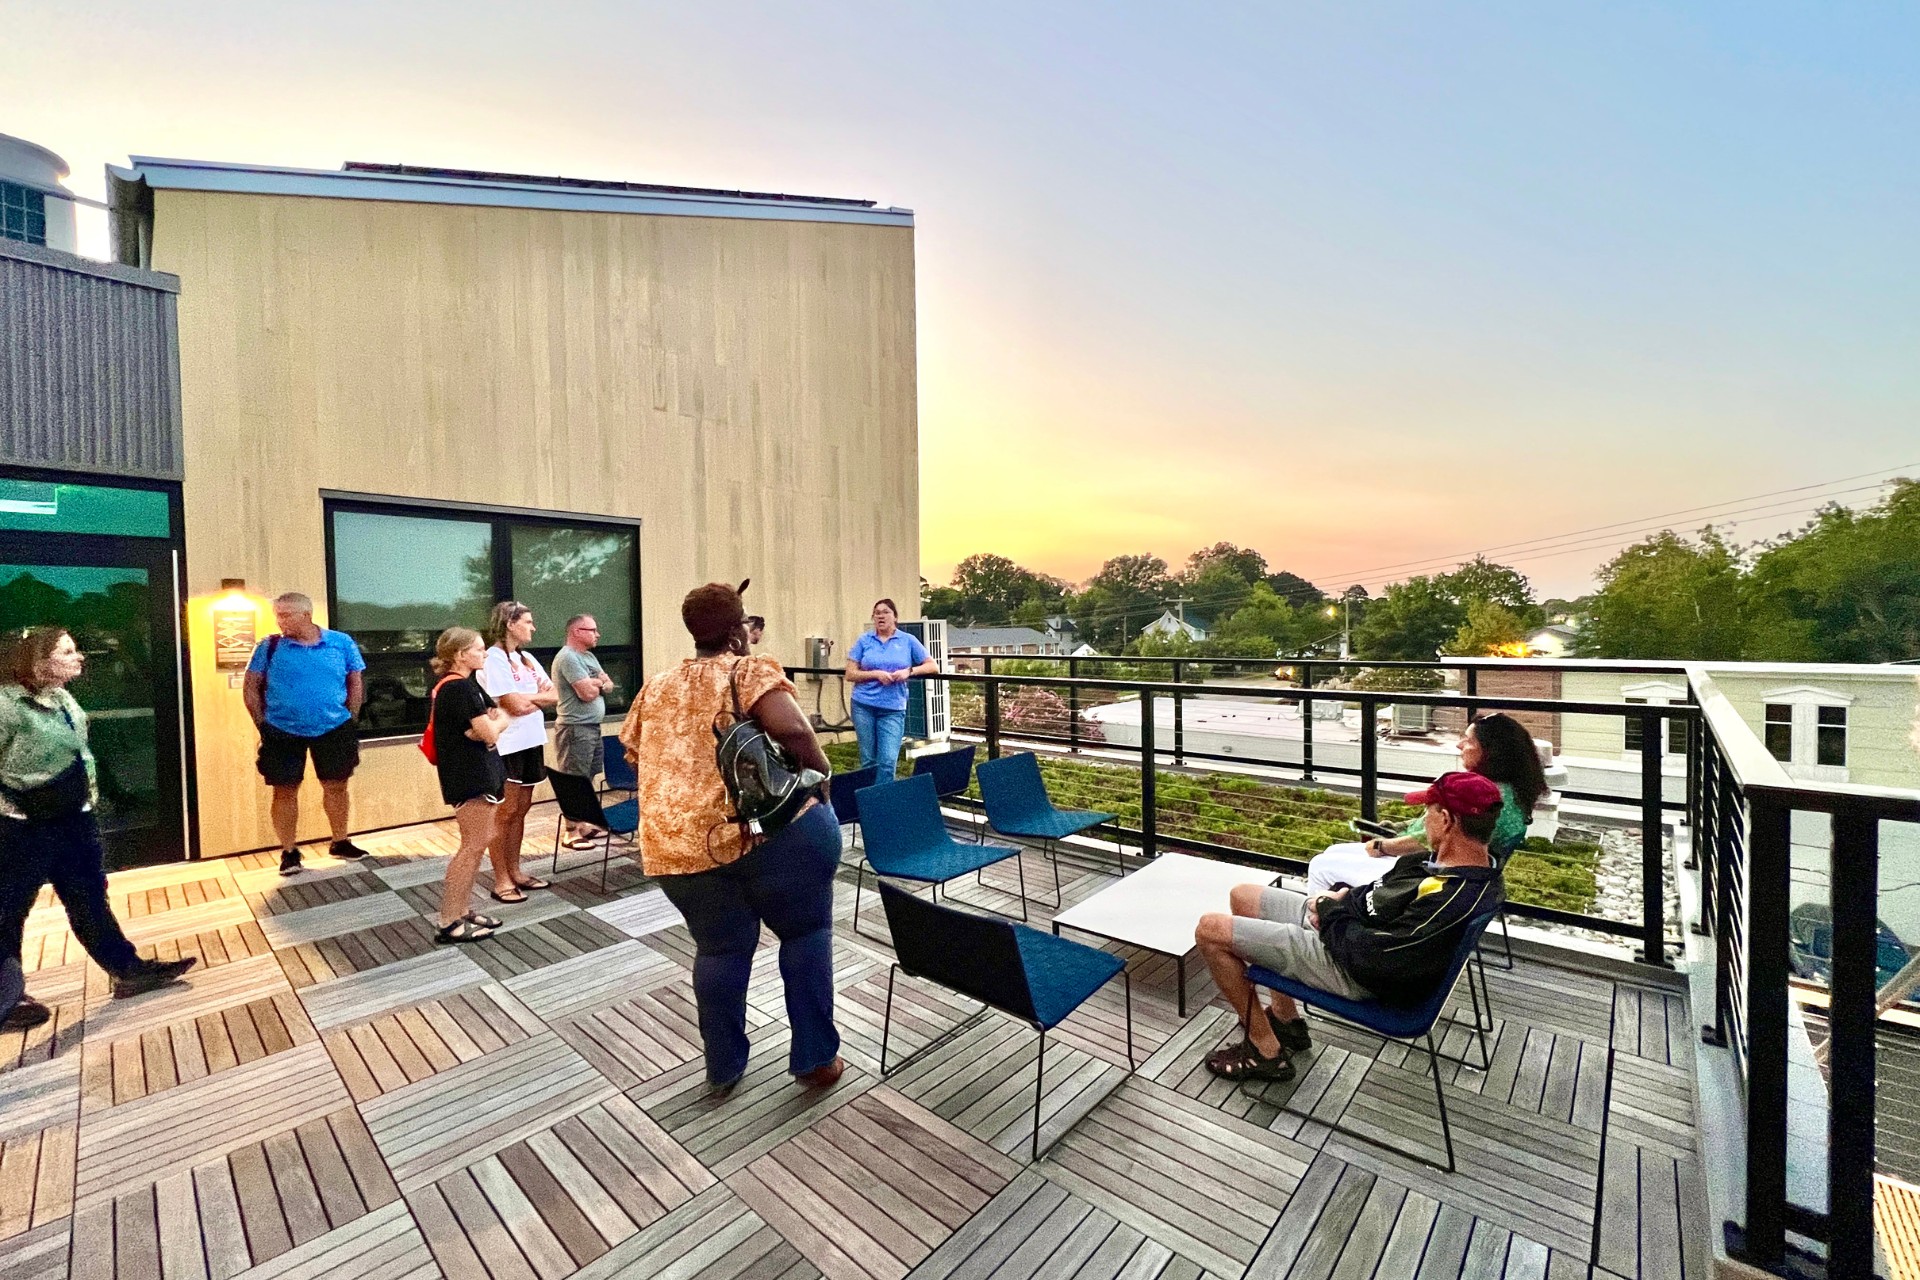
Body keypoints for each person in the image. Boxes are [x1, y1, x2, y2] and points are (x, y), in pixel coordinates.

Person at [619, 581, 842, 1096]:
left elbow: (636, 754)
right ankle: (814, 1061)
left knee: (719, 951)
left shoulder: (655, 687)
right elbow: (792, 729)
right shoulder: (749, 669)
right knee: (805, 934)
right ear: (739, 630)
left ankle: (723, 1068)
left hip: (681, 852)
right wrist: (823, 773)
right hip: (769, 837)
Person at [1194, 770, 1506, 1082]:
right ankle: (1285, 1021)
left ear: (1446, 820)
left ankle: (1265, 1052)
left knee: (1210, 931)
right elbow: (1373, 894)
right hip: (1346, 932)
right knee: (1243, 896)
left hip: (1354, 969)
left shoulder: (1455, 897)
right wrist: (1337, 900)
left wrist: (1330, 912)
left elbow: (1378, 956)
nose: (1424, 820)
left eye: (1428, 811)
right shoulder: (1435, 863)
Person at [0, 627, 195, 1028]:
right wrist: (16, 806)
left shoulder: (62, 697)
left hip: (73, 819)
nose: (79, 657)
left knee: (89, 898)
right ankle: (7, 1000)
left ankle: (128, 971)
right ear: (37, 661)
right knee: (9, 909)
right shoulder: (6, 706)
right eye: (67, 652)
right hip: (23, 826)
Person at [1305, 712, 1547, 894]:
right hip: (1457, 876)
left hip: (1428, 877)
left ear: (1490, 751)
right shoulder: (1506, 790)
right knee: (1333, 853)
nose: (1459, 745)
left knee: (1321, 865)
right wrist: (1399, 829)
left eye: (1467, 739)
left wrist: (1382, 846)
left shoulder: (1487, 796)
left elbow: (1430, 842)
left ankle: (1319, 936)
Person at [244, 592, 369, 875]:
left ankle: (340, 842)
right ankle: (289, 852)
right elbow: (251, 686)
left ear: (307, 615)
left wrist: (351, 719)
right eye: (278, 615)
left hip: (334, 728)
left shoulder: (341, 642)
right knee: (285, 791)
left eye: (286, 615)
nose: (280, 621)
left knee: (337, 786)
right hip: (282, 731)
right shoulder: (268, 647)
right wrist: (263, 724)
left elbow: (355, 681)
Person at [426, 628, 507, 944]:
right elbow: (490, 731)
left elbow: (498, 717)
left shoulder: (468, 685)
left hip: (479, 772)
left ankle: (462, 909)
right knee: (472, 847)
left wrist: (490, 725)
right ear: (461, 655)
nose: (485, 654)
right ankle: (448, 920)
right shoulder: (457, 688)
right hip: (469, 776)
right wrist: (490, 727)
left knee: (479, 842)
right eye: (479, 649)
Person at [480, 602, 556, 903]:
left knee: (521, 810)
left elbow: (555, 694)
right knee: (505, 812)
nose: (533, 627)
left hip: (531, 740)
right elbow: (513, 706)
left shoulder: (526, 658)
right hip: (507, 746)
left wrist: (528, 699)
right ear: (510, 624)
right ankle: (501, 880)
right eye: (528, 621)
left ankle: (515, 870)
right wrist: (535, 698)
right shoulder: (493, 659)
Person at [844, 599, 934, 782]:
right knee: (868, 760)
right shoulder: (864, 640)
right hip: (863, 705)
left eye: (885, 612)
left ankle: (883, 797)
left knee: (887, 760)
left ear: (895, 617)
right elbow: (850, 674)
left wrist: (909, 671)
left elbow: (932, 666)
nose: (881, 616)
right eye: (877, 613)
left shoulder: (907, 640)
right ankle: (869, 797)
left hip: (892, 708)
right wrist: (875, 674)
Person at [550, 614, 617, 850]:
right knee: (573, 780)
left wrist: (597, 683)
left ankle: (583, 825)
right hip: (575, 729)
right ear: (577, 632)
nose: (598, 634)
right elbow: (586, 694)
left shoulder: (588, 657)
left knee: (587, 778)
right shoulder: (568, 657)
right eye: (592, 630)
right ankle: (570, 832)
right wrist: (597, 683)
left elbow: (610, 685)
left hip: (591, 727)